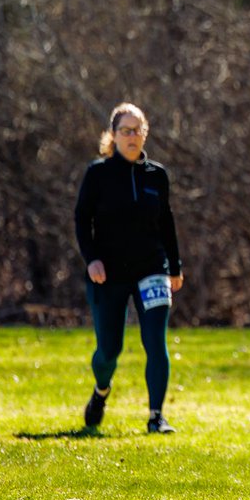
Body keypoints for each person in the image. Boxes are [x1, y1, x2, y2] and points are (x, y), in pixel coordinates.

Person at [74, 103, 184, 434]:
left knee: (155, 341)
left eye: (138, 130)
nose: (132, 136)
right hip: (109, 273)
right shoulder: (98, 174)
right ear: (113, 135)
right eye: (126, 130)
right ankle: (101, 390)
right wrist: (91, 258)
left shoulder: (157, 176)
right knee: (110, 348)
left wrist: (174, 267)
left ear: (145, 133)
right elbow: (82, 219)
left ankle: (156, 416)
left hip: (152, 268)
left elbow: (167, 223)